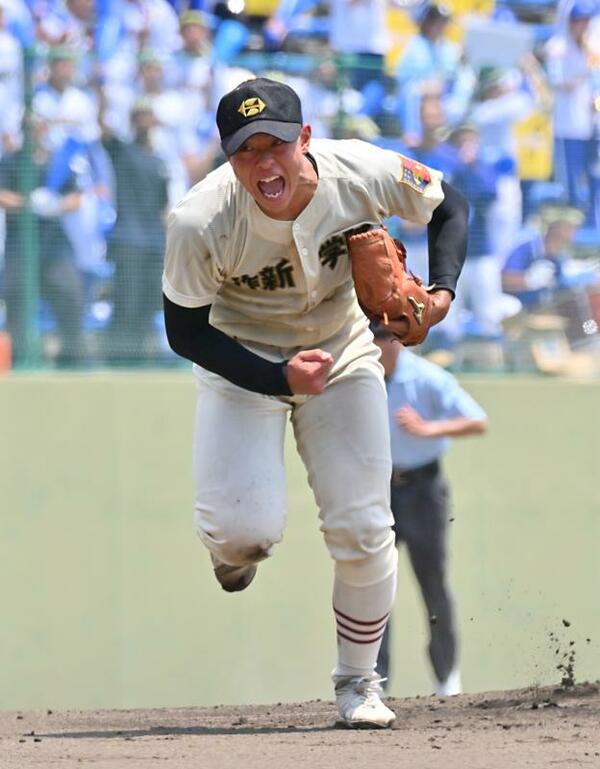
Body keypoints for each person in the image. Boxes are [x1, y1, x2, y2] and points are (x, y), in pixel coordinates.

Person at [162, 76, 468, 728]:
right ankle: (230, 549)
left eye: (275, 144)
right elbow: (184, 331)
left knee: (362, 528)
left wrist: (440, 294)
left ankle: (360, 684)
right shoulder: (200, 219)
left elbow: (450, 205)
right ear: (227, 157)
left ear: (306, 137)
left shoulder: (359, 171)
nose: (263, 163)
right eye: (246, 151)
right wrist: (277, 377)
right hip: (241, 359)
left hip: (342, 349)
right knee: (244, 534)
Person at [372, 326, 488, 696]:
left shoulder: (427, 378)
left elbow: (476, 420)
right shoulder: (360, 377)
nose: (374, 345)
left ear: (396, 342)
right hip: (378, 490)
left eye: (380, 338)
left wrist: (428, 429)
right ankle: (374, 681)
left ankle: (446, 678)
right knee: (372, 588)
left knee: (433, 584)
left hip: (423, 489)